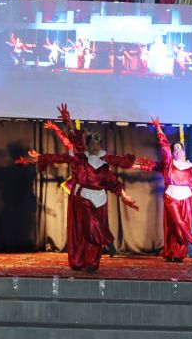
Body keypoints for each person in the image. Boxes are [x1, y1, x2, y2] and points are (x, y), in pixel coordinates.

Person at [16, 104, 138, 272]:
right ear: (86, 144)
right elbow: (57, 157)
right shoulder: (78, 157)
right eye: (91, 143)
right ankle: (96, 246)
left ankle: (92, 262)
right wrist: (38, 159)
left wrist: (124, 197)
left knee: (91, 230)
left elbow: (113, 182)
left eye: (97, 143)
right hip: (82, 198)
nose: (95, 147)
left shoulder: (104, 162)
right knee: (85, 228)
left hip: (100, 200)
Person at [136, 117, 192, 262]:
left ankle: (179, 255)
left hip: (186, 199)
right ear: (172, 153)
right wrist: (158, 129)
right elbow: (164, 147)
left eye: (180, 150)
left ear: (184, 152)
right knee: (174, 224)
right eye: (175, 150)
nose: (177, 152)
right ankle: (183, 243)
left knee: (184, 224)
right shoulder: (168, 164)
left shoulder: (191, 167)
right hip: (171, 197)